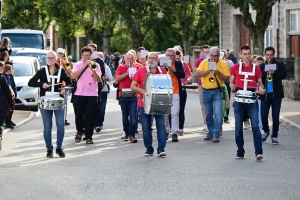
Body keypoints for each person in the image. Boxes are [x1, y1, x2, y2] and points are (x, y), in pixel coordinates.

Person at [28, 51, 72, 158]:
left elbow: (71, 82)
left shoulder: (61, 71)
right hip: (45, 100)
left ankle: (59, 147)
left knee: (60, 125)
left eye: (52, 58)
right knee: (47, 127)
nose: (50, 60)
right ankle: (49, 149)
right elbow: (31, 82)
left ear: (56, 59)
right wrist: (41, 84)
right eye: (48, 58)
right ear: (46, 59)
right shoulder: (42, 71)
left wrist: (64, 89)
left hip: (58, 100)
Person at [230, 45, 265, 160]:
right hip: (239, 99)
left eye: (248, 54)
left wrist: (262, 89)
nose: (246, 56)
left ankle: (258, 152)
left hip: (252, 99)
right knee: (238, 127)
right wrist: (232, 85)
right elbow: (231, 82)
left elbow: (260, 83)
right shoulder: (235, 67)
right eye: (244, 54)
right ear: (240, 55)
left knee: (255, 126)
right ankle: (240, 151)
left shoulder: (256, 68)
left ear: (251, 55)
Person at [131, 52, 168, 156]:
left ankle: (161, 149)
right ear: (147, 60)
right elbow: (133, 86)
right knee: (146, 128)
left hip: (159, 103)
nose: (151, 60)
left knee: (161, 126)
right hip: (144, 104)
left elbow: (167, 86)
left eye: (154, 58)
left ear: (158, 60)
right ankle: (149, 149)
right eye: (150, 58)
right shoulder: (141, 71)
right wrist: (143, 92)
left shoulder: (163, 71)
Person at [196, 47, 230, 143]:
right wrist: (208, 70)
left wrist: (218, 73)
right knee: (208, 113)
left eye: (215, 56)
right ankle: (210, 131)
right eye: (212, 55)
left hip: (217, 91)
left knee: (218, 113)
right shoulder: (205, 62)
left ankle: (216, 133)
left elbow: (227, 79)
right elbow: (197, 74)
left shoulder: (223, 64)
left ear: (218, 55)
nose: (213, 58)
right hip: (206, 91)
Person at [72, 46, 102, 144]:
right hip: (79, 94)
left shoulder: (96, 65)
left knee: (90, 116)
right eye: (84, 56)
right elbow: (74, 76)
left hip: (92, 94)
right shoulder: (77, 64)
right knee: (79, 115)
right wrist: (84, 66)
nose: (86, 57)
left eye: (88, 55)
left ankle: (89, 136)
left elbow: (98, 80)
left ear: (91, 56)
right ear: (82, 56)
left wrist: (92, 69)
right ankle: (80, 131)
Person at [259, 46, 286, 144]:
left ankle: (274, 136)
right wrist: (263, 73)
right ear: (264, 55)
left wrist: (274, 72)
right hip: (265, 95)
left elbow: (283, 75)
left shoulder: (279, 64)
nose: (269, 57)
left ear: (273, 55)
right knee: (263, 116)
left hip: (276, 95)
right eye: (267, 55)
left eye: (271, 55)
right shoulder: (261, 66)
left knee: (275, 116)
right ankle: (266, 131)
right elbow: (257, 78)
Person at [115, 52, 139, 143]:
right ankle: (126, 133)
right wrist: (127, 73)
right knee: (125, 116)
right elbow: (117, 79)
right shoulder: (121, 67)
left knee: (133, 115)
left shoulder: (137, 67)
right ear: (124, 59)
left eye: (131, 58)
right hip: (123, 95)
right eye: (128, 59)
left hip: (134, 94)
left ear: (134, 59)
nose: (130, 60)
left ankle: (132, 135)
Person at [164, 48, 185, 142]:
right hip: (164, 91)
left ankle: (174, 132)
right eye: (168, 55)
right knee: (165, 113)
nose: (170, 57)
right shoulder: (161, 63)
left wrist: (174, 70)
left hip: (175, 91)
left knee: (175, 113)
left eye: (172, 55)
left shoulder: (178, 63)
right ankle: (165, 130)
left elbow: (183, 75)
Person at [88, 43, 105, 132]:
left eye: (92, 50)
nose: (91, 51)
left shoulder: (100, 61)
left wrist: (94, 62)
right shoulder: (85, 60)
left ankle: (97, 124)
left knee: (96, 104)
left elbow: (102, 72)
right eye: (89, 49)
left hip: (96, 85)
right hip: (86, 85)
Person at [175, 50, 192, 136]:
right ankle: (173, 127)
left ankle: (181, 128)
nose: (177, 60)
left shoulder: (184, 64)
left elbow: (189, 74)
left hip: (182, 87)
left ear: (181, 57)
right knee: (173, 110)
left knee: (181, 110)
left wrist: (188, 79)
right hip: (174, 88)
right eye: (176, 58)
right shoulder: (172, 64)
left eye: (179, 58)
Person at [194, 45, 210, 130]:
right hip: (201, 84)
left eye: (207, 52)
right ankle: (206, 122)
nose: (206, 54)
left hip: (211, 85)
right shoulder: (198, 61)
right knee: (203, 104)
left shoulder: (212, 61)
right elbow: (196, 73)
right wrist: (203, 78)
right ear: (202, 52)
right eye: (204, 52)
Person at [97, 52, 113, 131]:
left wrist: (102, 78)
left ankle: (100, 123)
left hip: (103, 89)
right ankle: (94, 123)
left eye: (101, 57)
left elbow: (110, 78)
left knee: (102, 107)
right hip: (94, 90)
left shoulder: (105, 67)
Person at [0, 69, 14, 150]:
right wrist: (10, 105)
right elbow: (7, 92)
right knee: (0, 123)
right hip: (2, 103)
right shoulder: (2, 77)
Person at [3, 64, 17, 129]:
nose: (12, 70)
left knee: (12, 107)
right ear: (8, 70)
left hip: (12, 93)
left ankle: (9, 120)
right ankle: (6, 122)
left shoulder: (11, 76)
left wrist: (15, 94)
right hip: (7, 95)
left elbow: (13, 85)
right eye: (11, 69)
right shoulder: (3, 77)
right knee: (8, 108)